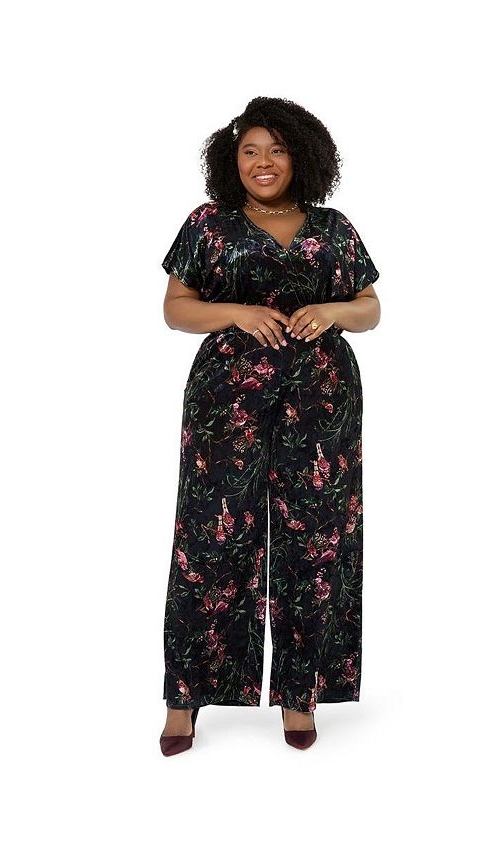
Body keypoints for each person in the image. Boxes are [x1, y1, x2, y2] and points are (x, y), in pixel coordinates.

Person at [158, 96, 381, 756]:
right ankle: (184, 696)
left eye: (277, 150)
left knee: (316, 543)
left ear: (301, 157)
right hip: (225, 402)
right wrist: (236, 312)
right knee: (210, 540)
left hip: (322, 403)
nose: (263, 162)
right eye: (250, 151)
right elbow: (175, 308)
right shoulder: (208, 224)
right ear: (232, 161)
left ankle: (300, 693)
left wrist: (334, 309)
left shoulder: (333, 228)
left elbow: (370, 307)